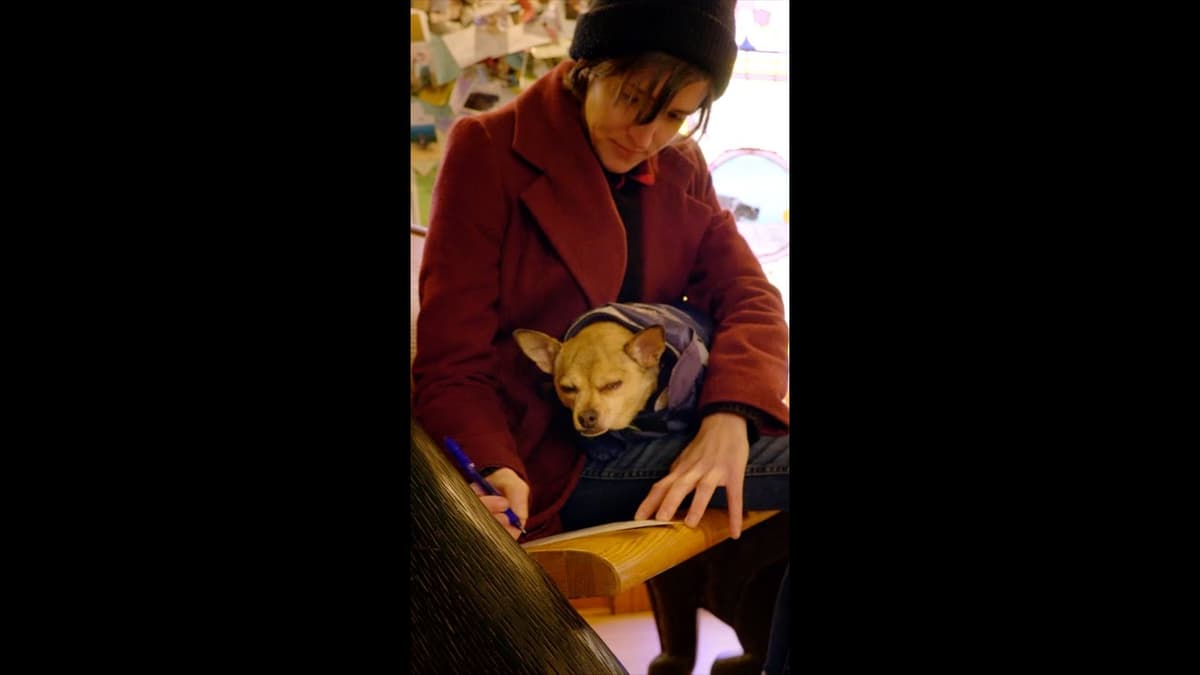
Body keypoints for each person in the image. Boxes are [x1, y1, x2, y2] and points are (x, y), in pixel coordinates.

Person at [412, 0, 789, 670]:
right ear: (589, 66)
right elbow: (450, 361)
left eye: (675, 115)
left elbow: (751, 299)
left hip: (655, 426)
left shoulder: (680, 165)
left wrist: (731, 413)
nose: (647, 134)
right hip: (548, 452)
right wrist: (493, 465)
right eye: (634, 98)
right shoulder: (490, 151)